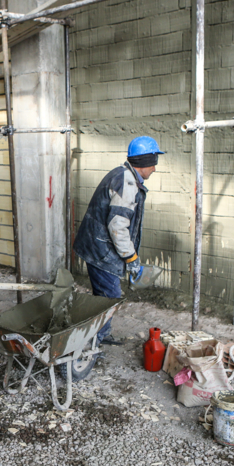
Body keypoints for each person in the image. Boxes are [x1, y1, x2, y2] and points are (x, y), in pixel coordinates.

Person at [73, 136, 165, 345]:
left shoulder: (122, 174)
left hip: (97, 244)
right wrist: (131, 258)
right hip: (101, 250)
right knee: (110, 297)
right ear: (143, 161)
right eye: (153, 162)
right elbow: (117, 226)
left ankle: (101, 335)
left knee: (104, 296)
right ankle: (92, 343)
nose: (154, 168)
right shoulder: (127, 182)